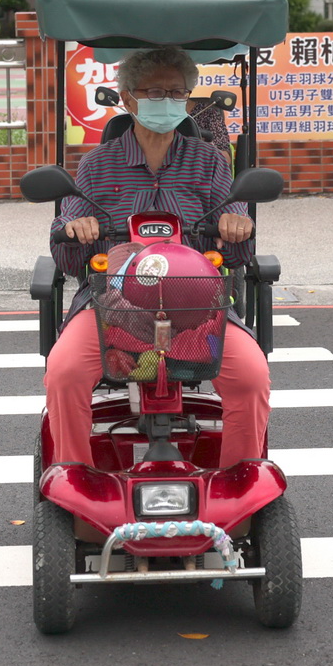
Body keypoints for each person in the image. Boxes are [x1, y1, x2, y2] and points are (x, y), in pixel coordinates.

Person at [44, 45, 268, 468]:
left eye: (175, 92)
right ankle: (76, 479)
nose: (166, 101)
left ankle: (240, 481)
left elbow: (239, 246)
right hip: (112, 306)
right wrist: (75, 232)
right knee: (65, 372)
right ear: (128, 99)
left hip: (199, 305)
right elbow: (66, 252)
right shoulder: (97, 164)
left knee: (251, 377)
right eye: (154, 92)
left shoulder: (210, 162)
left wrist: (238, 227)